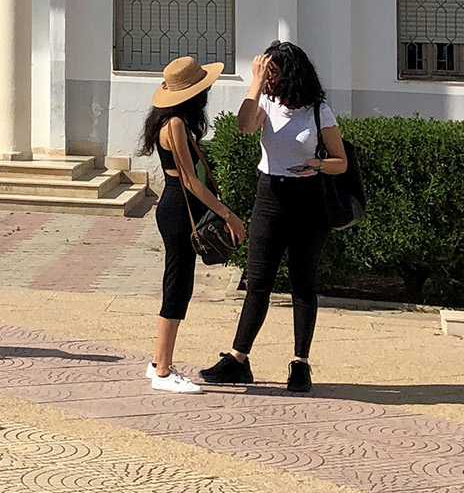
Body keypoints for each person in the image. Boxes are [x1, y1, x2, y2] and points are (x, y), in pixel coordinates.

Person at [199, 42, 349, 394]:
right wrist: (254, 82)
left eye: (273, 72)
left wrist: (316, 164)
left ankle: (300, 363)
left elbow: (340, 161)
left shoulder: (318, 111)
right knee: (258, 282)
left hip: (307, 200)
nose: (268, 78)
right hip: (270, 197)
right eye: (266, 71)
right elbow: (244, 126)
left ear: (291, 73)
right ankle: (238, 359)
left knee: (302, 283)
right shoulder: (265, 101)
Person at [137, 56, 245, 395]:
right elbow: (191, 182)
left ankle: (159, 361)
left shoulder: (169, 121)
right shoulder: (177, 126)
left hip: (174, 208)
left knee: (179, 282)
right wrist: (229, 214)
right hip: (177, 211)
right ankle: (163, 370)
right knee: (177, 285)